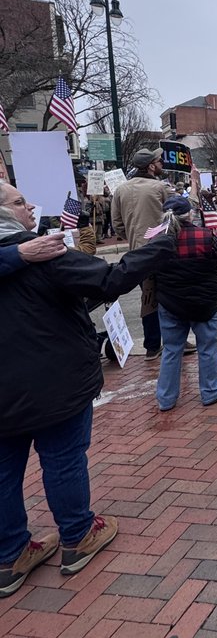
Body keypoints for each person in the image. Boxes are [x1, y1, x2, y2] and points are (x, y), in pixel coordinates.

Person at [0, 181, 177, 596]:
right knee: (62, 459)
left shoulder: (24, 255)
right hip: (53, 382)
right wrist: (160, 247)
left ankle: (11, 555)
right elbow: (110, 279)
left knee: (5, 471)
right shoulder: (42, 253)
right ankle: (78, 536)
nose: (29, 205)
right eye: (18, 200)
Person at [154, 196, 217, 412]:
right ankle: (211, 391)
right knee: (207, 348)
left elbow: (149, 268)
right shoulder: (204, 236)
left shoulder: (157, 240)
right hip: (203, 303)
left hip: (170, 302)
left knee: (172, 350)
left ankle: (166, 399)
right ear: (189, 214)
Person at [110, 147, 173, 359]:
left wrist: (133, 235)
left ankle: (153, 345)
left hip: (136, 252)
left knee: (148, 298)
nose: (162, 164)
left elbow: (117, 224)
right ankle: (170, 340)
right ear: (151, 165)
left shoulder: (121, 190)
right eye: (159, 161)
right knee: (168, 296)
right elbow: (175, 216)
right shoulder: (159, 187)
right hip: (161, 250)